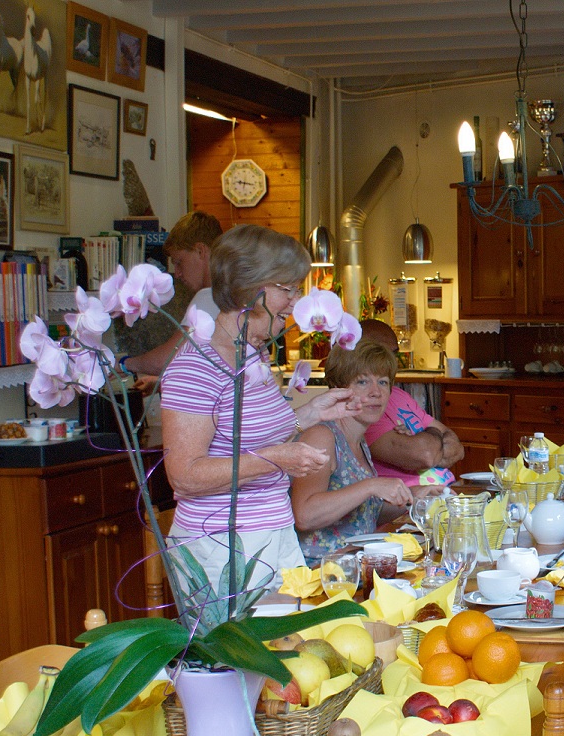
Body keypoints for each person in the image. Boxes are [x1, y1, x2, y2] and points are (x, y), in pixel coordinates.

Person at [160, 224, 360, 592]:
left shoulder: (251, 355)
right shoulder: (196, 366)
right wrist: (277, 459)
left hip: (272, 536)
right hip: (222, 548)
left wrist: (312, 412)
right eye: (288, 289)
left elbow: (248, 438)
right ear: (251, 289)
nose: (296, 302)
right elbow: (184, 475)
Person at [293, 341, 444, 563]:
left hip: (356, 567)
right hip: (320, 574)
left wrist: (412, 497)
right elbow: (304, 515)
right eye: (362, 381)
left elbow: (361, 513)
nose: (376, 392)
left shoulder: (359, 441)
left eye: (383, 382)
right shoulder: (322, 437)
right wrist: (371, 486)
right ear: (339, 388)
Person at [358, 319, 464, 488]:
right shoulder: (366, 404)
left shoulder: (398, 395)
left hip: (445, 492)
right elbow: (426, 455)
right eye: (383, 354)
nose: (392, 363)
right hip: (409, 504)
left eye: (394, 354)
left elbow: (458, 449)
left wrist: (424, 439)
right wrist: (433, 432)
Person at [121, 211, 223, 379]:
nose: (177, 273)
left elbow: (170, 358)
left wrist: (125, 364)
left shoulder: (208, 296)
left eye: (178, 262)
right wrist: (159, 382)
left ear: (200, 251)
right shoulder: (230, 290)